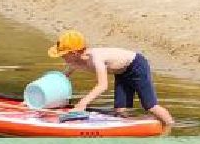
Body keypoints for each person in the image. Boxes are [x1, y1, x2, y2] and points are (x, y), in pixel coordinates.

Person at [47, 30, 175, 131]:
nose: (61, 57)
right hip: (121, 72)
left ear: (74, 53)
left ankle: (170, 126)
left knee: (151, 106)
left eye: (63, 54)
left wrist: (82, 104)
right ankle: (136, 126)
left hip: (136, 66)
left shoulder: (96, 58)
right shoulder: (74, 62)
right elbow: (61, 78)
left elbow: (102, 85)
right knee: (120, 109)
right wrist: (46, 95)